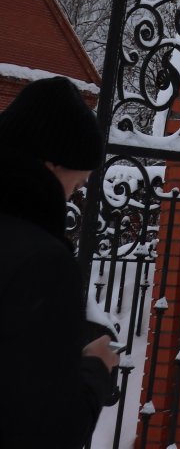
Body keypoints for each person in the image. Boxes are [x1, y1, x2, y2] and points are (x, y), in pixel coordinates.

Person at [0, 77, 118, 449]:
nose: (75, 193)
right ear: (52, 165)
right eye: (78, 182)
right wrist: (95, 369)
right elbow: (48, 430)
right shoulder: (42, 263)